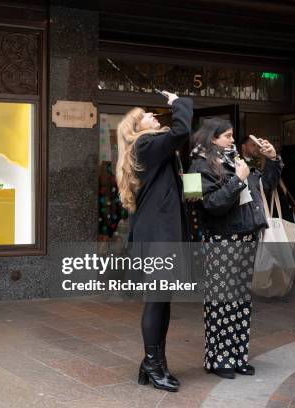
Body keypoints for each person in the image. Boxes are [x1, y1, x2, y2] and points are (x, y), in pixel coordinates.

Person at [189, 118, 281, 379]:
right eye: (227, 136)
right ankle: (218, 359)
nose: (232, 140)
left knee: (241, 303)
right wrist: (237, 181)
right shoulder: (196, 166)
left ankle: (238, 356)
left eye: (231, 136)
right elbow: (208, 205)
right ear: (212, 138)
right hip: (221, 241)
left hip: (244, 239)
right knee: (221, 304)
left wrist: (272, 160)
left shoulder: (235, 160)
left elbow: (265, 186)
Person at [116, 91, 193, 392]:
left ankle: (155, 363)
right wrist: (178, 103)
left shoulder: (150, 148)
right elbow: (182, 130)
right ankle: (152, 362)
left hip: (162, 233)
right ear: (137, 127)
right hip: (158, 235)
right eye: (146, 114)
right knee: (157, 300)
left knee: (162, 300)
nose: (153, 115)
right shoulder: (145, 144)